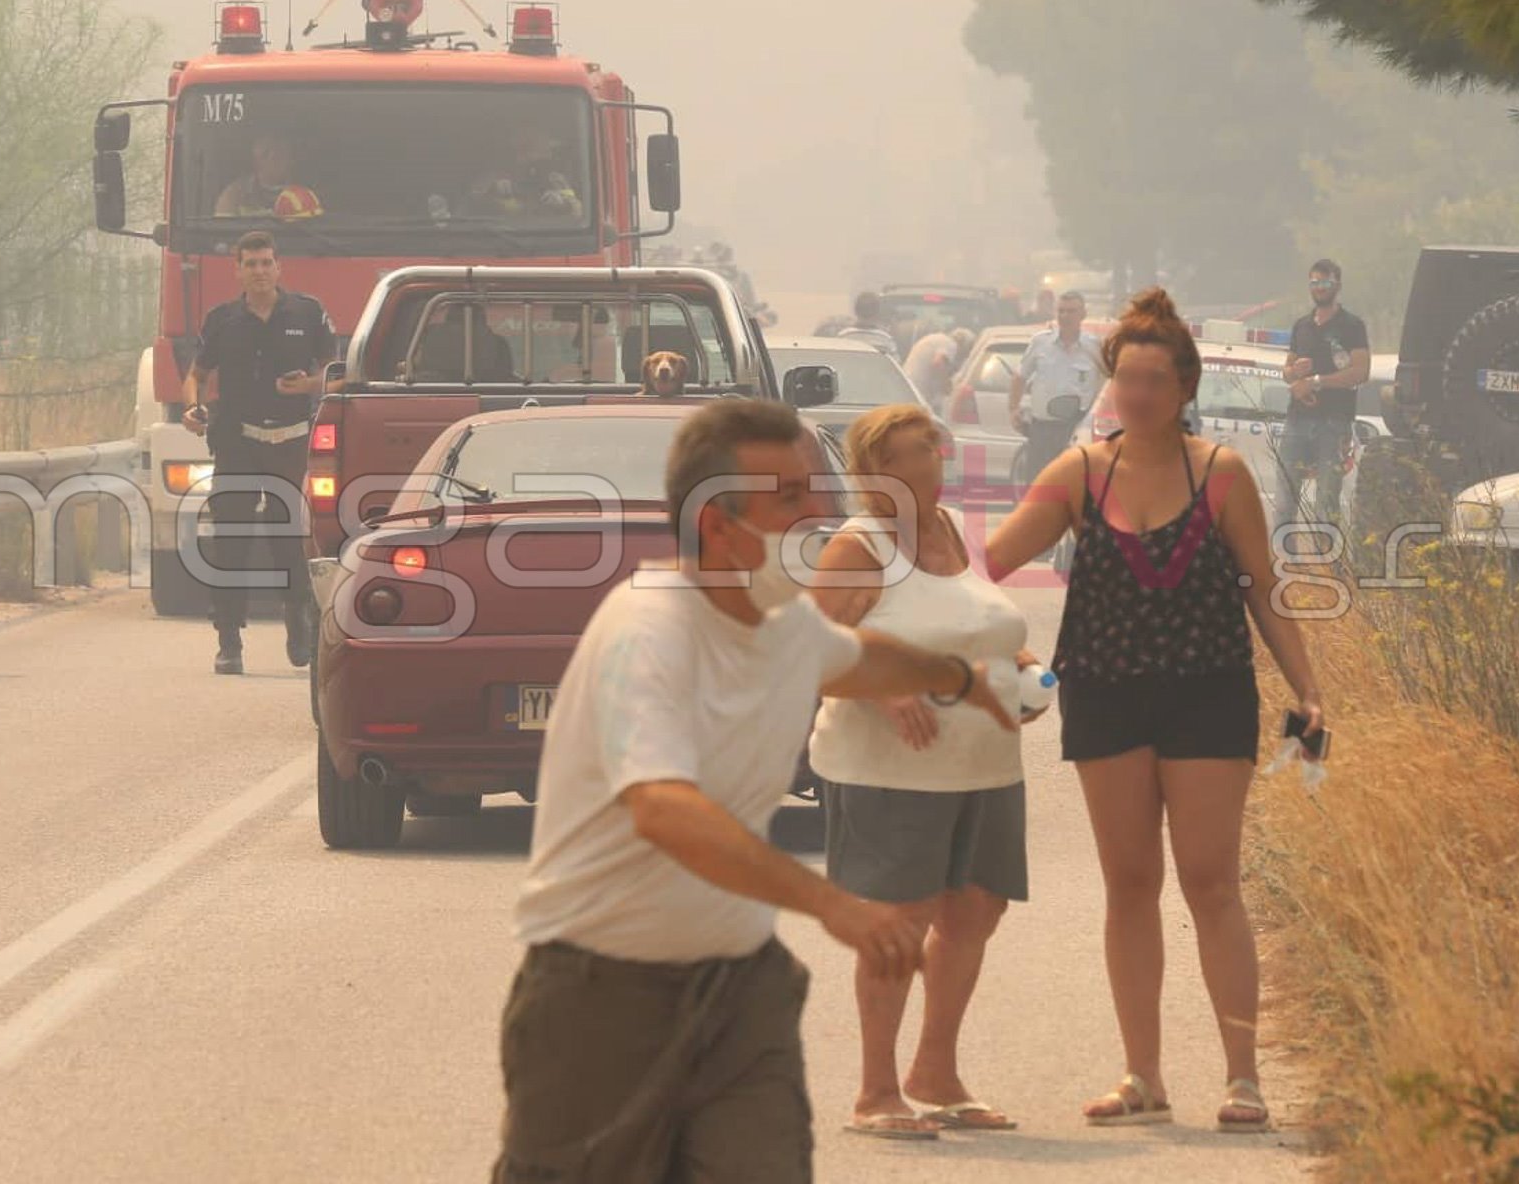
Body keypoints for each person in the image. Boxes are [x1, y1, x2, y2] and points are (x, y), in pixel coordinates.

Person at [494, 400, 1018, 1183]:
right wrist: (834, 904)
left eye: (814, 488)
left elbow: (854, 656)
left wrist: (954, 678)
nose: (818, 511)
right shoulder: (652, 630)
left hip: (742, 989)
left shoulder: (777, 622)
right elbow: (663, 809)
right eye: (790, 499)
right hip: (598, 1000)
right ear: (717, 525)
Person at [982, 288, 1329, 1135]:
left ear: (1183, 388)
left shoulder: (1222, 473)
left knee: (1212, 882)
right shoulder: (1078, 471)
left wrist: (1307, 689)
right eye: (1125, 379)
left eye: (1153, 380)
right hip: (1105, 692)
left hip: (1207, 692)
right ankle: (1143, 1075)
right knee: (1129, 883)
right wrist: (905, 526)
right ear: (1111, 385)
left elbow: (1261, 589)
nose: (1135, 394)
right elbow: (985, 563)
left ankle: (1243, 1078)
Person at [808, 403, 1039, 1140]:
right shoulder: (860, 546)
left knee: (975, 913)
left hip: (984, 767)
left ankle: (935, 1073)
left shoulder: (944, 532)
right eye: (915, 452)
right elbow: (816, 651)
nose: (935, 460)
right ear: (877, 472)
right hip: (890, 772)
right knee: (897, 927)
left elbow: (972, 625)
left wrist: (1027, 672)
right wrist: (888, 686)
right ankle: (876, 1093)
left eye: (935, 448)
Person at [182, 231, 341, 675]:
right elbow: (195, 374)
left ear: (278, 267)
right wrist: (192, 406)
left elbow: (335, 373)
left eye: (266, 262)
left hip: (291, 442)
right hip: (236, 440)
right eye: (250, 264)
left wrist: (309, 385)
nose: (259, 271)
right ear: (238, 270)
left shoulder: (306, 313)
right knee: (231, 542)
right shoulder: (222, 320)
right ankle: (229, 641)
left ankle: (299, 625)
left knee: (288, 540)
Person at [1274, 260, 1370, 530]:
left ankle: (1327, 566)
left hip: (1334, 422)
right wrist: (1294, 371)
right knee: (1284, 502)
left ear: (1337, 285)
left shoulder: (1352, 326)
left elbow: (1361, 372)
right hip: (1297, 420)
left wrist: (1316, 382)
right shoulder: (1302, 325)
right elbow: (1287, 372)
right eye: (1314, 282)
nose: (1319, 288)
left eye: (1325, 282)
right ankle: (1282, 565)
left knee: (1325, 504)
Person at [1011, 290, 1104, 478]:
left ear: (1083, 315)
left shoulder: (1094, 347)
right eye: (1061, 311)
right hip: (1042, 429)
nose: (1065, 316)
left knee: (1075, 487)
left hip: (1077, 430)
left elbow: (1109, 380)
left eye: (1071, 311)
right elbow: (1020, 377)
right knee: (1039, 486)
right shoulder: (1040, 343)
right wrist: (1013, 408)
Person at [465, 126, 584, 221]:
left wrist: (563, 205)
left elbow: (580, 217)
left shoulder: (557, 180)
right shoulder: (494, 179)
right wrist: (494, 195)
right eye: (534, 149)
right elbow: (468, 208)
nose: (548, 154)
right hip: (505, 240)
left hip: (550, 241)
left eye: (546, 151)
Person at [214, 133, 323, 219]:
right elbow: (221, 236)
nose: (272, 157)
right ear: (254, 158)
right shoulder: (235, 194)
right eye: (266, 153)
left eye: (280, 152)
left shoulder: (308, 194)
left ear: (291, 158)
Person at [903, 327, 973, 417]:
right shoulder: (950, 344)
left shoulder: (936, 339)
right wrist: (946, 383)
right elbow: (938, 362)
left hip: (908, 386)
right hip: (919, 391)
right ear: (964, 344)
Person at [837, 293, 900, 359]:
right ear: (877, 312)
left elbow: (835, 362)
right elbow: (895, 364)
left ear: (856, 311)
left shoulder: (843, 337)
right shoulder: (885, 340)